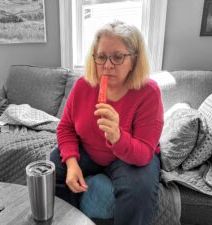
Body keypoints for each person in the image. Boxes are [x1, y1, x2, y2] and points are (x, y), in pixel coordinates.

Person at [50, 20, 164, 225]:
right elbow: (65, 127)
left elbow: (145, 152)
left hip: (132, 157)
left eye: (118, 57)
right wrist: (71, 162)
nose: (107, 65)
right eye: (102, 57)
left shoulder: (148, 92)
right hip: (89, 150)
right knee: (53, 167)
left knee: (139, 191)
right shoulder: (83, 86)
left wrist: (118, 137)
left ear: (134, 59)